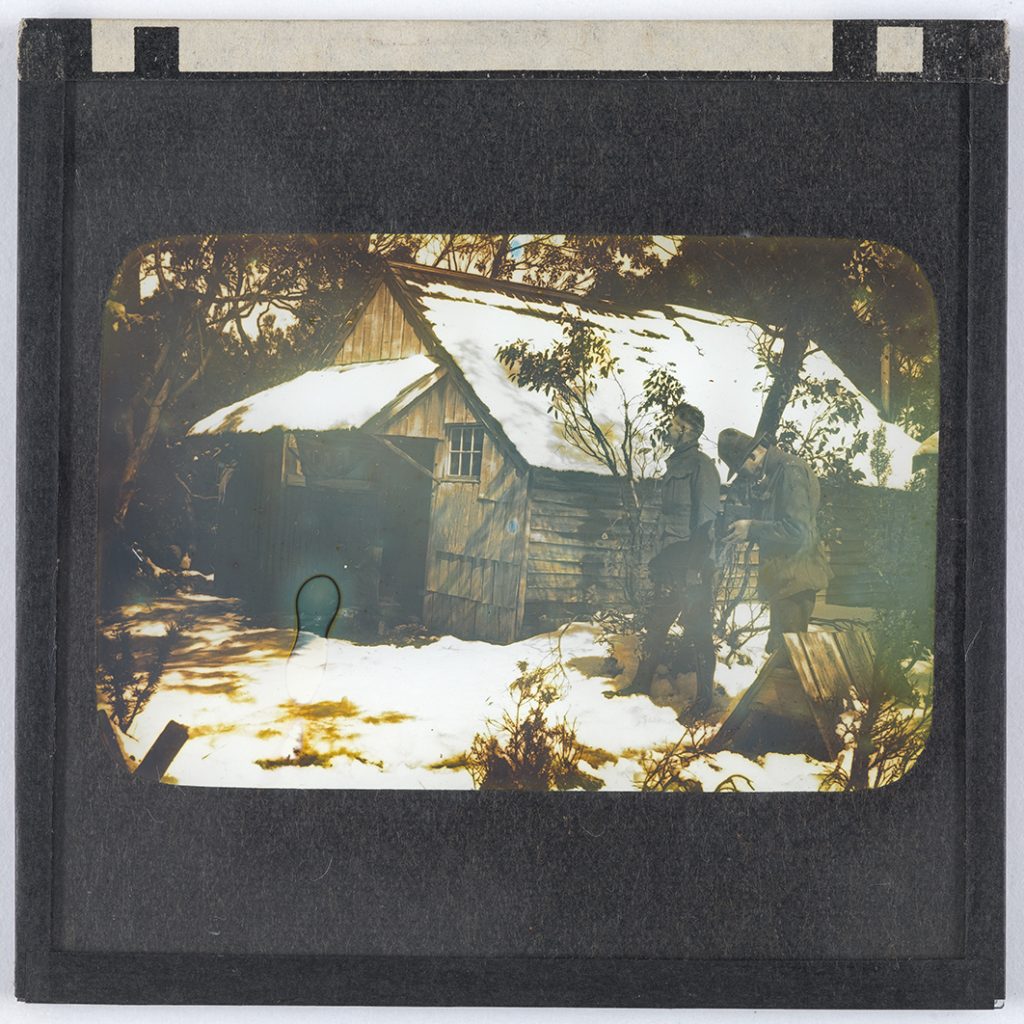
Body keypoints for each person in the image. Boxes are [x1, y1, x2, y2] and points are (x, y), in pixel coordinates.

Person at [617, 402, 721, 715]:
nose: (670, 428)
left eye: (675, 424)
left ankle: (703, 702)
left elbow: (705, 523)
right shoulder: (676, 464)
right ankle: (640, 684)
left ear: (687, 430)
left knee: (700, 633)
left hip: (691, 567)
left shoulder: (703, 467)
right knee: (657, 625)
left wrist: (694, 569)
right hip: (669, 563)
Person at [717, 428, 831, 653]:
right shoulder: (778, 473)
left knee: (787, 659)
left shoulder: (790, 471)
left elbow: (796, 529)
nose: (745, 475)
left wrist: (751, 528)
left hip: (796, 579)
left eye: (742, 469)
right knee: (780, 654)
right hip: (787, 579)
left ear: (753, 455)